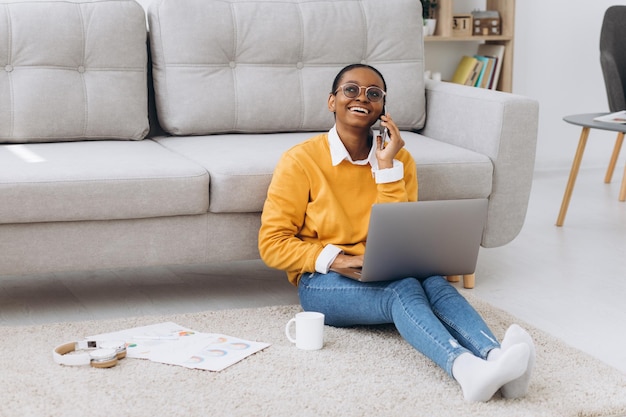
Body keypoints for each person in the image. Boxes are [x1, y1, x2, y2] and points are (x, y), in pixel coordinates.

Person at [258, 64, 535, 402]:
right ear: (332, 101)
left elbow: (401, 233)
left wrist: (387, 168)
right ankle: (465, 368)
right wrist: (337, 259)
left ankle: (497, 361)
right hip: (321, 282)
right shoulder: (300, 161)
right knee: (403, 290)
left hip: (385, 267)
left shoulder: (399, 160)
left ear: (383, 108)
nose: (362, 97)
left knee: (433, 281)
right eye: (351, 90)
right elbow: (272, 244)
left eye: (374, 93)